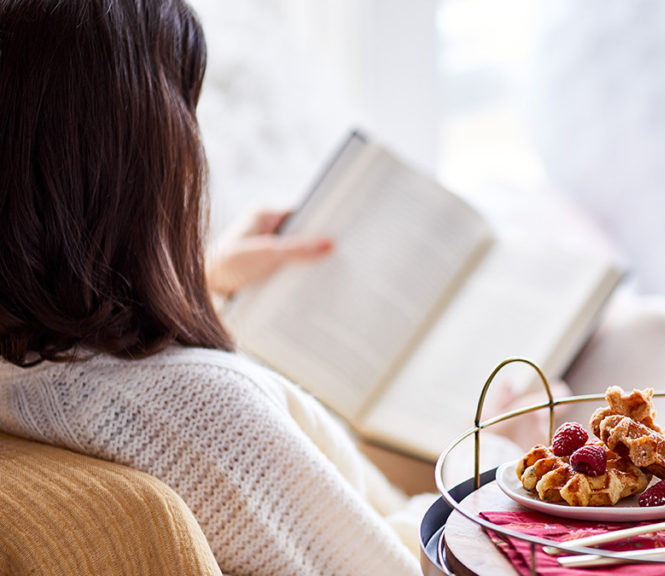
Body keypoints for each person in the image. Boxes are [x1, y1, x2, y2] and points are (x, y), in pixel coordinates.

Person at [0, 1, 421, 574]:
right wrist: (502, 459)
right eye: (185, 112)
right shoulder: (206, 418)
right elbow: (389, 567)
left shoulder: (26, 372)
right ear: (145, 160)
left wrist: (197, 276)